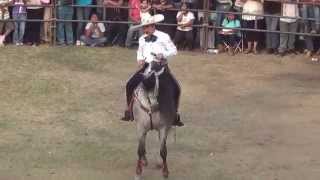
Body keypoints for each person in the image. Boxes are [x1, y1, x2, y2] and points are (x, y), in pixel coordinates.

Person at [121, 14, 184, 127]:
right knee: (129, 84)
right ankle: (129, 111)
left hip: (161, 67)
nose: (144, 29)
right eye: (143, 27)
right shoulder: (142, 39)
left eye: (145, 27)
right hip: (146, 67)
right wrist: (139, 59)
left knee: (176, 87)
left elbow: (174, 51)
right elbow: (140, 51)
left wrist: (163, 54)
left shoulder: (164, 36)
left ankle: (175, 115)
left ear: (152, 26)